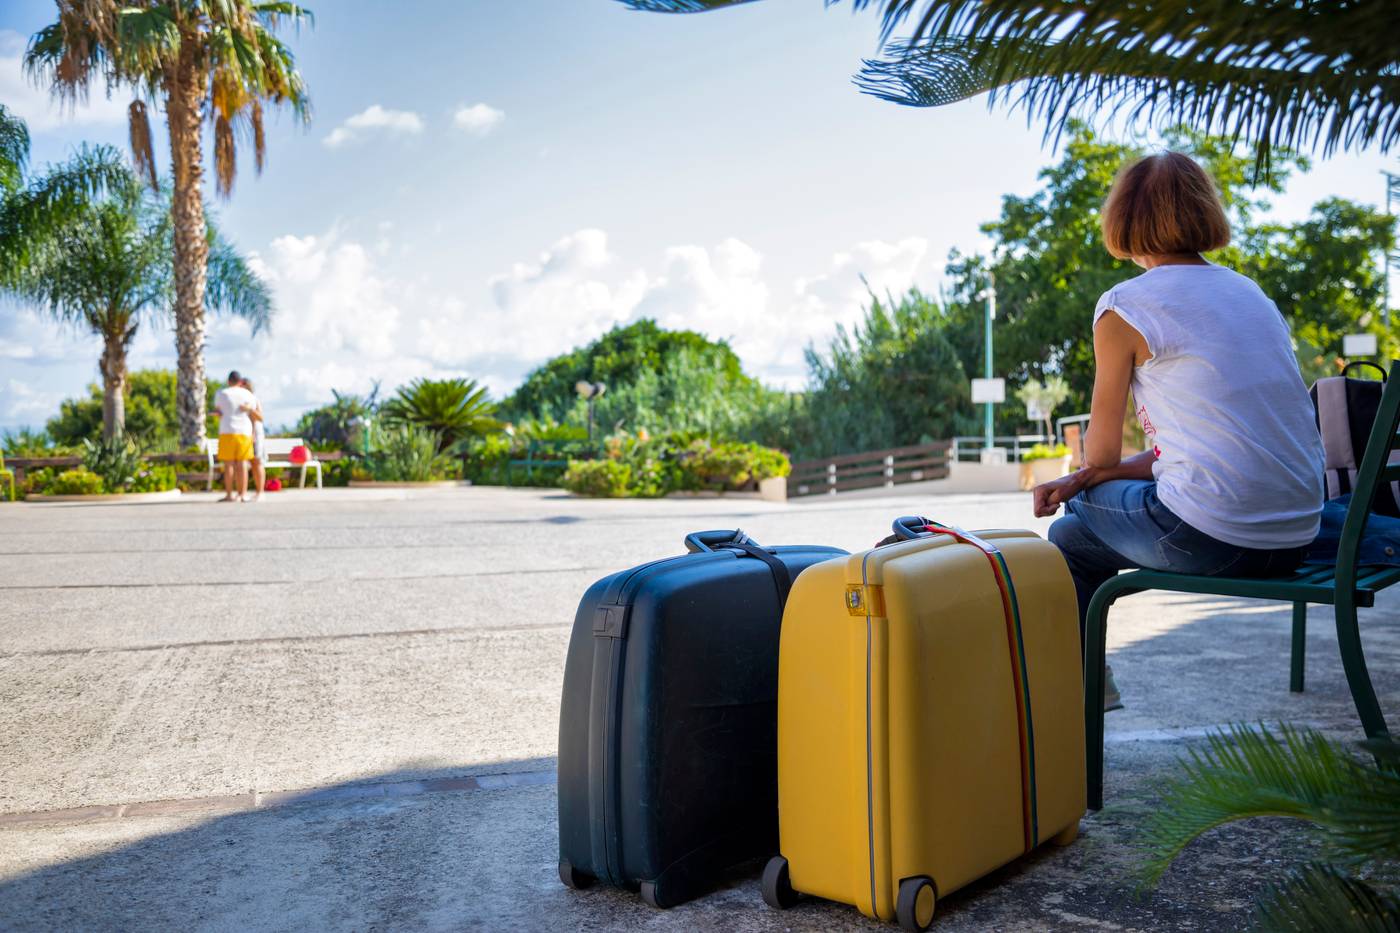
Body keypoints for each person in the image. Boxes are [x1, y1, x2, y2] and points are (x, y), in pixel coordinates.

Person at [1034, 151, 1324, 711]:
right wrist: (1098, 474)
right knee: (1078, 520)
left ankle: (1087, 688)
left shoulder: (1125, 307)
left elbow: (1099, 450)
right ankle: (1089, 683)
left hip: (1214, 540)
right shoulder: (1251, 294)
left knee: (1070, 533)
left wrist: (1085, 476)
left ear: (1122, 220)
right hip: (1295, 539)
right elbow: (1199, 450)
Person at [213, 370, 257, 503]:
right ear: (240, 381)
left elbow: (218, 411)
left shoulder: (221, 393)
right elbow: (252, 410)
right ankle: (242, 494)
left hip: (227, 430)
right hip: (244, 431)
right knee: (242, 464)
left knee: (229, 465)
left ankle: (229, 495)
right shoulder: (247, 394)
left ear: (228, 381)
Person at [241, 377, 266, 501]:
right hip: (245, 435)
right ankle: (245, 493)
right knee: (247, 463)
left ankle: (260, 492)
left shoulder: (253, 399)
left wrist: (250, 409)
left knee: (257, 462)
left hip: (256, 434)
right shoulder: (241, 400)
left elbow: (260, 417)